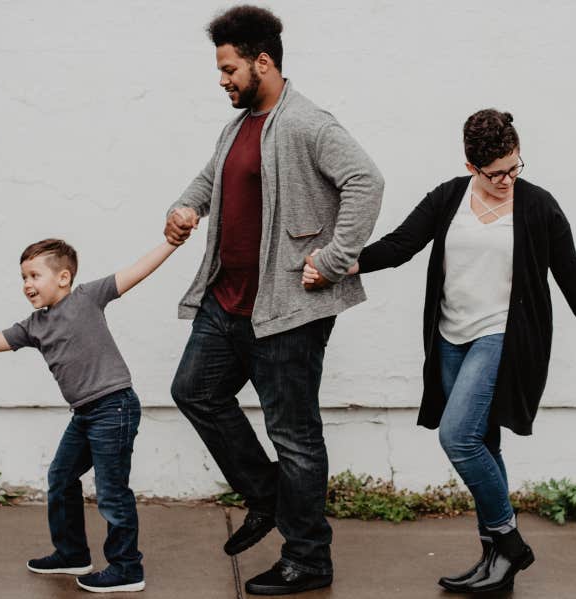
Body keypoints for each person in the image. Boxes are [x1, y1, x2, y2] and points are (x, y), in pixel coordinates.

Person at [303, 108, 576, 593]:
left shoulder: (538, 206)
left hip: (502, 337)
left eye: (515, 167)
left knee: (458, 438)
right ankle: (495, 562)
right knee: (483, 443)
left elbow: (571, 274)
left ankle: (510, 543)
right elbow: (401, 245)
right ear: (472, 167)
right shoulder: (450, 197)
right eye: (496, 174)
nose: (508, 180)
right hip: (450, 338)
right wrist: (341, 265)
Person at [163, 5, 383, 595]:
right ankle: (267, 499)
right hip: (226, 302)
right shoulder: (237, 125)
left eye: (230, 68)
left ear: (264, 62)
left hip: (285, 311)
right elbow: (211, 178)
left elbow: (367, 180)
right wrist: (185, 208)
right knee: (194, 392)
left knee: (295, 435)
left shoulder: (308, 123)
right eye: (220, 69)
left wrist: (334, 259)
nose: (222, 79)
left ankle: (308, 557)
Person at [0, 237, 182, 593]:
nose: (27, 284)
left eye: (34, 275)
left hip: (114, 407)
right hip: (85, 414)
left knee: (112, 492)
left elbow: (136, 271)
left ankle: (127, 568)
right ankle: (72, 553)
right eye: (23, 277)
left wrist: (171, 243)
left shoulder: (88, 297)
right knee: (61, 476)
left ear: (63, 277)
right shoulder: (34, 326)